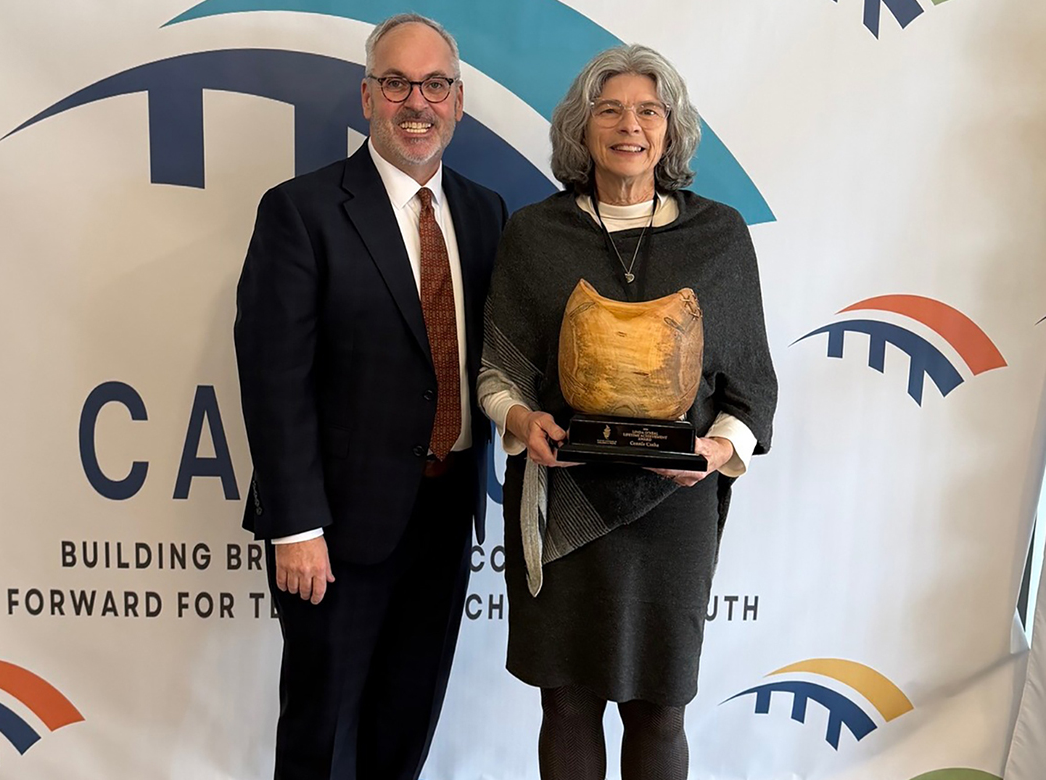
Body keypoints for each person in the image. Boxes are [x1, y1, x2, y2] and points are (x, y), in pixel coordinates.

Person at [479, 44, 777, 780]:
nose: (629, 126)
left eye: (649, 110)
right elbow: (496, 373)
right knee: (567, 704)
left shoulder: (719, 236)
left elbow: (752, 387)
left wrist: (713, 452)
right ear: (581, 129)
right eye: (609, 110)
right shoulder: (535, 234)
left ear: (671, 130)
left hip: (673, 512)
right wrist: (521, 422)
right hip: (562, 501)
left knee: (660, 709)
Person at [234, 13, 507, 780]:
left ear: (458, 101)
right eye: (396, 83)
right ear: (366, 97)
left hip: (445, 515)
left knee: (404, 727)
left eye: (435, 85)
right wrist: (295, 526)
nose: (416, 102)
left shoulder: (485, 213)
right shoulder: (302, 211)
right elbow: (273, 378)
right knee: (323, 735)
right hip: (335, 529)